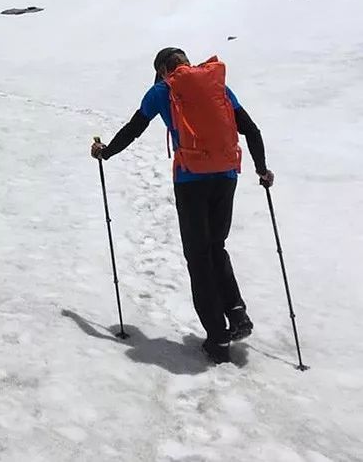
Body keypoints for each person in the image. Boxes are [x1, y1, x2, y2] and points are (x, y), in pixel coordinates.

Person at [90, 47, 275, 365]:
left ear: (163, 70)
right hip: (227, 175)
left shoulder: (162, 91)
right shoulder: (218, 86)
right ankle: (237, 314)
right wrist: (262, 169)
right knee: (217, 246)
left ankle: (217, 340)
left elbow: (134, 129)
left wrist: (105, 152)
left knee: (198, 257)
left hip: (191, 181)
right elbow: (251, 129)